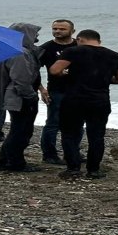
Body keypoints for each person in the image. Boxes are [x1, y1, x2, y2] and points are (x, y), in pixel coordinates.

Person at [46, 30, 118, 179]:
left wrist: (66, 74)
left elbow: (54, 70)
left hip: (74, 99)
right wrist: (101, 78)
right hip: (100, 100)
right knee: (97, 136)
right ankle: (93, 170)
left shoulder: (72, 51)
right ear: (99, 41)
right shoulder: (114, 55)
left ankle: (73, 169)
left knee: (70, 134)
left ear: (79, 39)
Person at [0, 22, 43, 172]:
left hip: (15, 96)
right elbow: (21, 78)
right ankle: (15, 163)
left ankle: (3, 160)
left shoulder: (13, 50)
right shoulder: (20, 52)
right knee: (21, 131)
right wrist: (31, 96)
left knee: (18, 130)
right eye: (34, 33)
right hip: (20, 97)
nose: (37, 36)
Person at [37, 19, 78, 165]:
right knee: (53, 123)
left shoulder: (79, 46)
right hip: (56, 91)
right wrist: (41, 89)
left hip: (79, 91)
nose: (57, 31)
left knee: (77, 124)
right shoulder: (46, 48)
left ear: (72, 31)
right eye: (55, 28)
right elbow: (32, 71)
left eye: (62, 29)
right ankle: (49, 154)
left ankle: (72, 153)